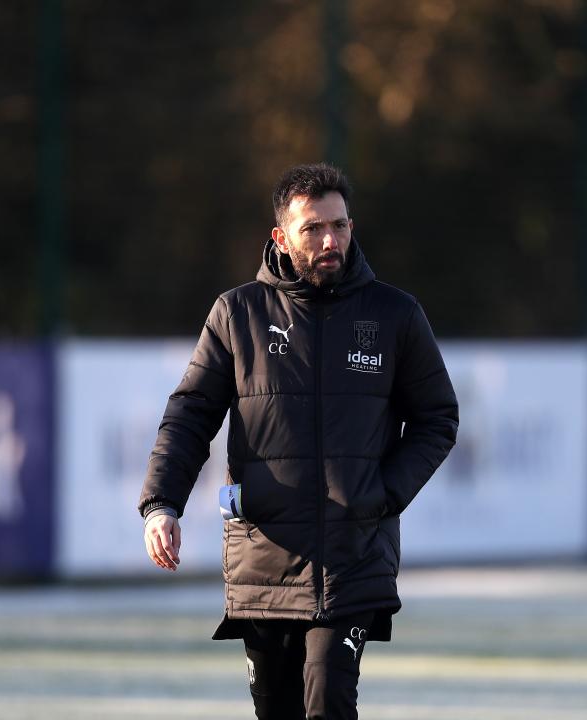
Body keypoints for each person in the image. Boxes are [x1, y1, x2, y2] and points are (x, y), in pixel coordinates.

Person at [138, 163, 458, 719]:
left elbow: (438, 418)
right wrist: (161, 504)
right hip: (263, 561)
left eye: (340, 225)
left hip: (354, 559)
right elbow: (190, 415)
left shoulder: (395, 315)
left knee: (329, 701)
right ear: (280, 237)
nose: (330, 239)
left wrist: (381, 493)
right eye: (313, 228)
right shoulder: (236, 315)